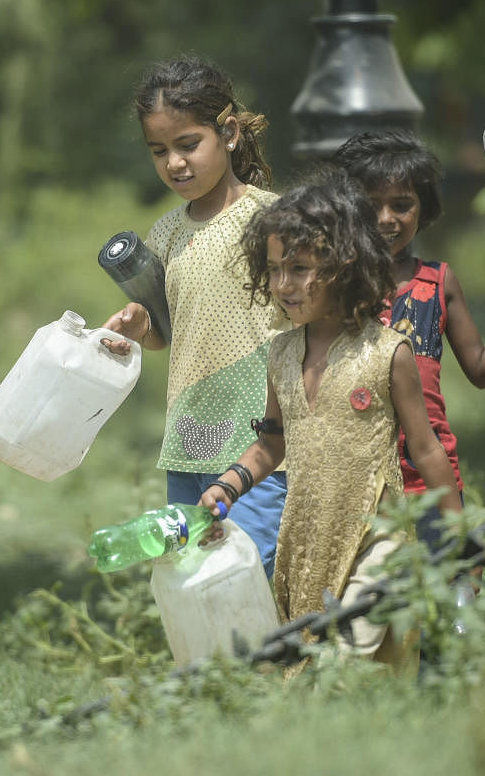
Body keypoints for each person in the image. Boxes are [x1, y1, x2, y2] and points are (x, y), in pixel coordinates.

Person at [197, 166, 463, 666]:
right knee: (323, 671)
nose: (282, 284)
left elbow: (426, 450)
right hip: (307, 537)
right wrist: (228, 485)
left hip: (375, 533)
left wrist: (460, 540)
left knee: (353, 652)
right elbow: (271, 444)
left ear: (344, 264)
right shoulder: (279, 353)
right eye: (274, 269)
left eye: (298, 269)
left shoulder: (389, 352)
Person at [99, 55, 288, 577]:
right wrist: (141, 330)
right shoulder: (164, 234)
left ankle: (269, 659)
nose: (174, 163)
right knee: (192, 568)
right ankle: (213, 661)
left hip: (262, 438)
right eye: (159, 151)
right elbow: (166, 330)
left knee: (249, 564)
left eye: (187, 145)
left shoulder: (272, 219)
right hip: (193, 432)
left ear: (227, 133)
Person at [332, 130, 485, 549]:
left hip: (430, 479)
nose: (386, 218)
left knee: (442, 593)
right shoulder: (335, 286)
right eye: (371, 206)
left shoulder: (439, 281)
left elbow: (480, 368)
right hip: (353, 483)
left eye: (401, 205)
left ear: (424, 209)